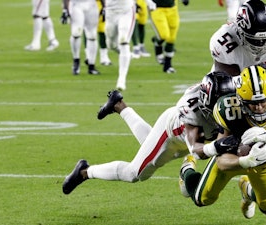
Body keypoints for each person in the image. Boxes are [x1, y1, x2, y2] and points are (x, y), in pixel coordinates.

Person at [62, 72, 236, 195]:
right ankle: (85, 171)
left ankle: (118, 104)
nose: (223, 110)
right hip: (171, 134)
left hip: (190, 139)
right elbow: (198, 150)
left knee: (148, 143)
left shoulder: (232, 96)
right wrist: (219, 145)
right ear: (206, 103)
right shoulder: (193, 111)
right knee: (134, 173)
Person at [180, 65, 266, 219]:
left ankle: (247, 190)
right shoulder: (228, 109)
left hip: (264, 161)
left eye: (264, 101)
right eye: (252, 103)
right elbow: (221, 161)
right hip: (233, 157)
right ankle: (187, 169)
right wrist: (246, 160)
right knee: (202, 199)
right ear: (240, 99)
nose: (259, 107)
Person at [61, 0, 101, 75]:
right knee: (76, 33)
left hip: (92, 4)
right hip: (76, 4)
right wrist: (65, 9)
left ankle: (91, 65)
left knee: (92, 35)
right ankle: (76, 61)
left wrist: (104, 6)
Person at [150, 0, 189, 73]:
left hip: (172, 9)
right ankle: (157, 42)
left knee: (171, 38)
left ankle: (168, 65)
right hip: (157, 9)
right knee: (163, 35)